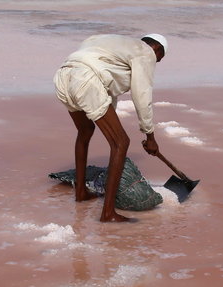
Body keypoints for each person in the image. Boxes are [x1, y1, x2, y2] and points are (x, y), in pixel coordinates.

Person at [53, 33, 168, 222]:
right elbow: (142, 95)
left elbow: (106, 88)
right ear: (156, 48)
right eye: (159, 59)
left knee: (85, 131)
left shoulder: (109, 44)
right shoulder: (145, 52)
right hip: (86, 79)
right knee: (121, 143)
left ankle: (81, 192)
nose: (155, 63)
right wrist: (150, 135)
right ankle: (108, 213)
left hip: (63, 77)